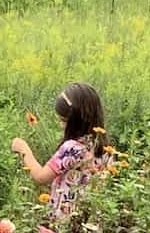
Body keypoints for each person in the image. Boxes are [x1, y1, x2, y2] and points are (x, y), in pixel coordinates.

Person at [11, 83, 109, 219]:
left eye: (63, 121)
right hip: (87, 220)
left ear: (75, 121)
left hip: (63, 221)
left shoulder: (71, 149)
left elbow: (40, 177)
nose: (60, 124)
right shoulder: (105, 150)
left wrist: (23, 149)